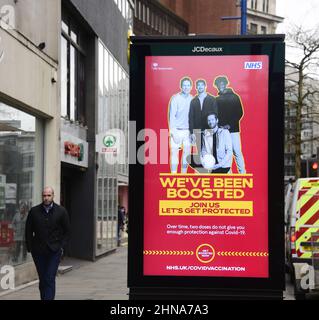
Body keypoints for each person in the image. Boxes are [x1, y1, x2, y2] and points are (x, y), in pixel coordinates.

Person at [25, 187, 70, 300]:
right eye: (44, 195)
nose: (46, 198)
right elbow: (28, 230)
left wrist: (61, 247)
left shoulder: (61, 211)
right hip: (38, 251)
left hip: (54, 251)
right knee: (43, 278)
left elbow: (67, 231)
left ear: (53, 196)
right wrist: (30, 248)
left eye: (48, 195)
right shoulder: (34, 211)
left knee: (49, 277)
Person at [214, 76, 246, 173]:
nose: (220, 86)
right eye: (218, 85)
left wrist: (230, 125)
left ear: (226, 84)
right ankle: (228, 174)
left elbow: (240, 112)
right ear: (217, 86)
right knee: (224, 153)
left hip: (233, 130)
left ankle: (242, 173)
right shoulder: (216, 99)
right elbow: (216, 115)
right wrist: (219, 126)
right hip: (221, 130)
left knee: (237, 151)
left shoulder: (235, 97)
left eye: (222, 84)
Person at [169, 77, 193, 173]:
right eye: (184, 85)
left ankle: (183, 174)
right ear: (181, 87)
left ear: (191, 87)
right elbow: (172, 116)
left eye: (188, 85)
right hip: (177, 130)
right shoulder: (175, 98)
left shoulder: (192, 99)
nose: (186, 87)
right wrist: (173, 132)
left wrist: (192, 132)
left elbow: (193, 117)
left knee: (186, 154)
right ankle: (174, 174)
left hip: (188, 131)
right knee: (174, 153)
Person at [189, 79, 218, 157]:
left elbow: (216, 114)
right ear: (196, 87)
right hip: (197, 130)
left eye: (202, 85)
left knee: (209, 152)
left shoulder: (212, 99)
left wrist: (214, 129)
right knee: (199, 153)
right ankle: (201, 169)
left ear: (205, 86)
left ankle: (210, 168)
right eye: (198, 85)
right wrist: (191, 132)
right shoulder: (193, 101)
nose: (200, 87)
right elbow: (190, 117)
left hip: (209, 129)